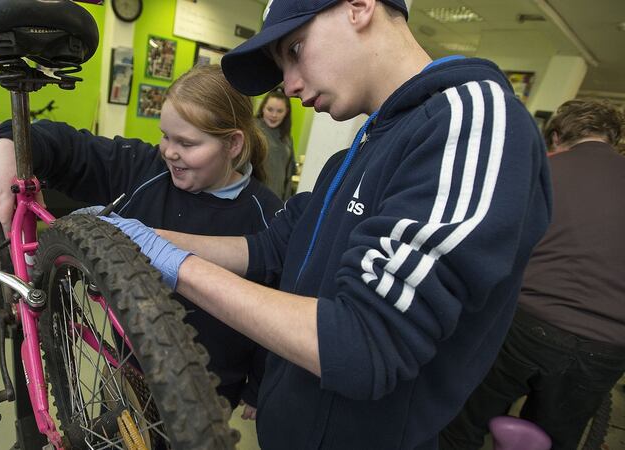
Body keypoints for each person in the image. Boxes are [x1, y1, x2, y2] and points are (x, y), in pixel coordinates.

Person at [94, 0, 553, 448]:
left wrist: (179, 266)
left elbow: (363, 342)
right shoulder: (361, 149)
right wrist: (136, 239)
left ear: (359, 7)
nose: (289, 86)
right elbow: (269, 248)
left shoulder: (469, 123)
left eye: (295, 50)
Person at [0, 64, 282, 416]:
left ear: (233, 144)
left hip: (209, 389)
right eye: (166, 136)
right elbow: (66, 145)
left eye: (187, 143)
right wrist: (5, 144)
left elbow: (278, 307)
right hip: (128, 365)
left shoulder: (266, 216)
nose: (169, 151)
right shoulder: (144, 168)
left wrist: (258, 387)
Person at [440, 99, 625, 450]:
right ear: (612, 139)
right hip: (608, 344)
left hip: (527, 324)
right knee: (554, 440)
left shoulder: (543, 171)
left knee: (464, 421)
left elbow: (494, 245)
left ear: (556, 136)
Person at [256, 88, 296, 200]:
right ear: (263, 108)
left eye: (279, 111)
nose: (274, 115)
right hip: (256, 199)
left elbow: (288, 176)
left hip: (277, 200)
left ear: (286, 112)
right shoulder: (253, 132)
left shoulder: (287, 138)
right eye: (270, 109)